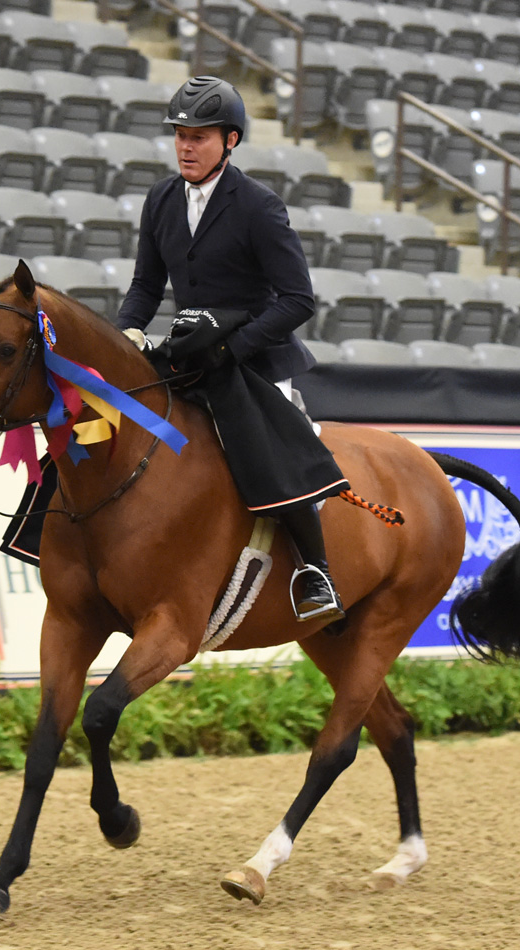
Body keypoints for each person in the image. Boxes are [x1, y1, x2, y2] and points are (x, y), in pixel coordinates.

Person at [115, 75, 349, 624]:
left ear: (231, 141)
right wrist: (125, 330)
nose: (186, 146)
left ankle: (315, 571)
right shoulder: (162, 199)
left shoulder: (259, 207)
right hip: (191, 351)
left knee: (269, 453)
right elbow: (148, 286)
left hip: (255, 360)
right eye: (180, 134)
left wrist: (235, 348)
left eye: (199, 136)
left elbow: (298, 300)